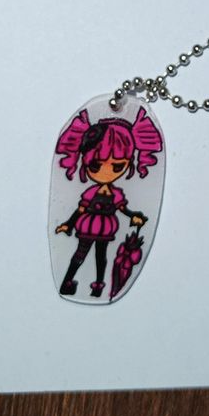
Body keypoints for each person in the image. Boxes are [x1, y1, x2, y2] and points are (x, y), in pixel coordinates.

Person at [54, 107, 163, 297]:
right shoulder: (91, 192)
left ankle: (98, 286)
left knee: (101, 257)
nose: (106, 172)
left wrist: (134, 216)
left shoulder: (116, 194)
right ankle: (67, 282)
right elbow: (80, 209)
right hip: (88, 226)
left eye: (118, 166)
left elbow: (123, 209)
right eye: (95, 165)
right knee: (80, 254)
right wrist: (68, 224)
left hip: (105, 229)